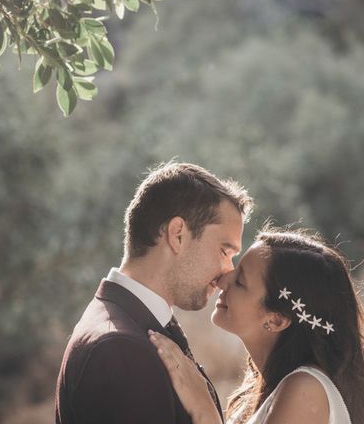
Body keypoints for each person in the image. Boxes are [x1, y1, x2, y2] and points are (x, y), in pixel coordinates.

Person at [55, 162, 253, 424]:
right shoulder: (119, 349)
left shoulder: (135, 326)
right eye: (224, 251)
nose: (228, 271)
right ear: (178, 235)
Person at [149, 227, 364, 424]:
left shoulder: (305, 389)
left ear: (276, 319)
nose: (222, 280)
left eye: (240, 282)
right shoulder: (270, 387)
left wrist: (203, 408)